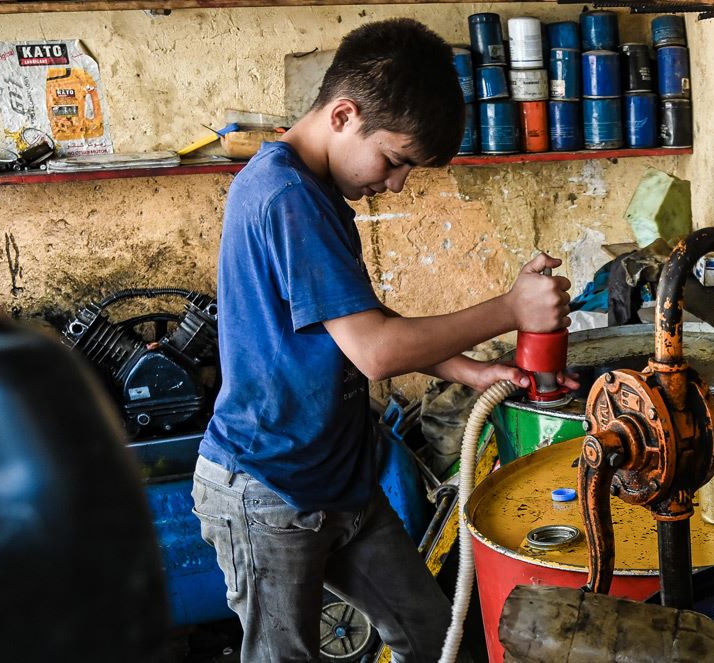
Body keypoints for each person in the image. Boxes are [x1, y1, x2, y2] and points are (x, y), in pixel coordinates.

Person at [191, 18, 575, 663]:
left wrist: (466, 371)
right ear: (344, 114)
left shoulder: (308, 188)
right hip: (269, 488)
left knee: (435, 637)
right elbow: (374, 349)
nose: (395, 184)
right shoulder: (287, 196)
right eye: (395, 161)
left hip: (341, 478)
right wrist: (511, 308)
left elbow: (354, 319)